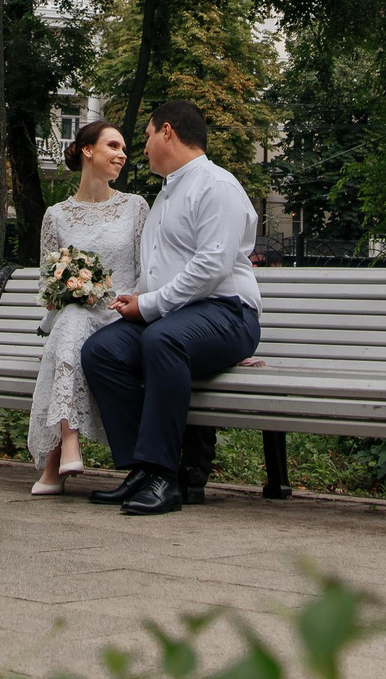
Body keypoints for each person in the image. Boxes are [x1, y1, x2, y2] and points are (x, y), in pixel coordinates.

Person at [79, 99, 262, 517]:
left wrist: (150, 305)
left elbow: (212, 267)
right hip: (174, 316)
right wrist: (138, 298)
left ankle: (165, 477)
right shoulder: (166, 194)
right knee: (101, 351)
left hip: (228, 313)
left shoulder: (217, 186)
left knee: (162, 341)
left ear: (167, 131)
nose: (142, 148)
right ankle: (141, 470)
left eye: (146, 136)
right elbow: (163, 268)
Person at [26, 120, 148, 495]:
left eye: (124, 148)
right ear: (88, 150)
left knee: (70, 331)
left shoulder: (135, 207)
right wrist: (71, 288)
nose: (122, 154)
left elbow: (146, 272)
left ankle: (58, 460)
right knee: (73, 319)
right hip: (77, 319)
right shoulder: (56, 215)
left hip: (121, 317)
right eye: (113, 146)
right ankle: (68, 445)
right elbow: (48, 284)